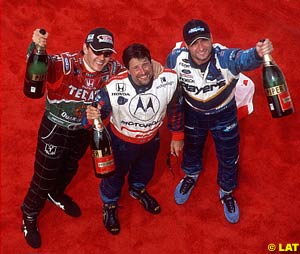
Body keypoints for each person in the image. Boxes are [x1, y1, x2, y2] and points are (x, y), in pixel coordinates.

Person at [21, 28, 162, 248]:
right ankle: (29, 215)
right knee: (44, 177)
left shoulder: (113, 69)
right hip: (55, 129)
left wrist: (154, 66)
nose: (102, 58)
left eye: (107, 54)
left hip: (84, 130)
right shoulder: (64, 63)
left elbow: (135, 71)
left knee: (70, 168)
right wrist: (36, 45)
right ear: (85, 48)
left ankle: (56, 195)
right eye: (97, 52)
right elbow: (37, 65)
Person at [166, 19, 273, 224]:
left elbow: (243, 58)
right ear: (187, 45)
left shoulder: (224, 57)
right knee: (192, 147)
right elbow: (169, 86)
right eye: (195, 43)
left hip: (224, 115)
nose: (201, 47)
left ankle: (226, 191)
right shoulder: (175, 59)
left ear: (212, 39)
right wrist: (176, 132)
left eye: (204, 40)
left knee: (229, 154)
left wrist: (258, 53)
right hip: (193, 114)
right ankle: (191, 175)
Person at [84, 43, 184, 235]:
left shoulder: (169, 79)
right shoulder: (113, 87)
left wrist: (177, 136)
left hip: (151, 141)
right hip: (120, 143)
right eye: (136, 67)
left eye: (145, 64)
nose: (143, 72)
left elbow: (176, 109)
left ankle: (137, 189)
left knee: (146, 170)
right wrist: (90, 116)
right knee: (113, 177)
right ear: (127, 70)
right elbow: (93, 116)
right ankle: (110, 204)